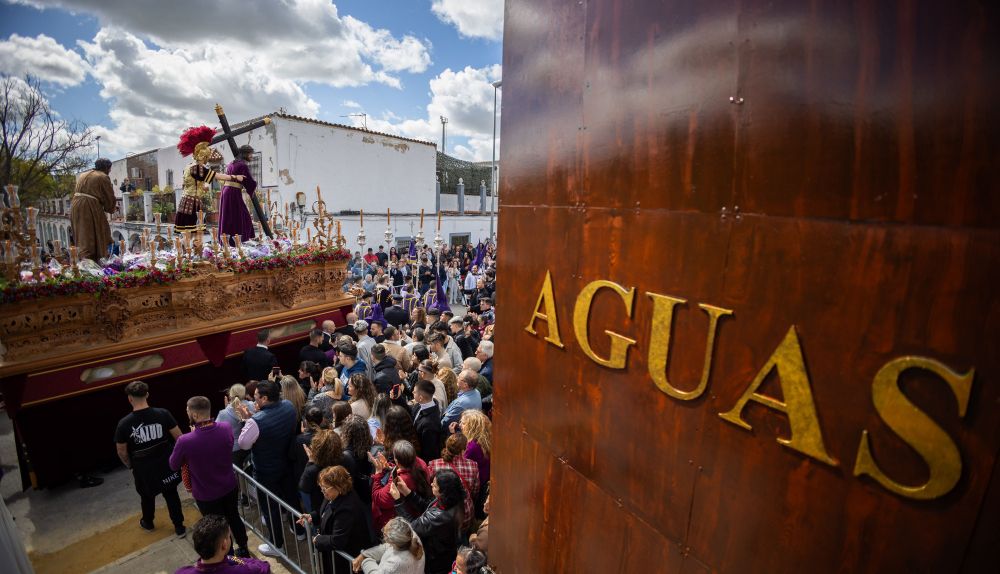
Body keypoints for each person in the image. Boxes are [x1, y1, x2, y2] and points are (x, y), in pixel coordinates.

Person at [169, 396, 250, 556]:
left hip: (207, 495)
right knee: (234, 517)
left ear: (195, 415)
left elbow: (173, 464)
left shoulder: (185, 441)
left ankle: (231, 558)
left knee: (218, 529)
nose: (187, 414)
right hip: (229, 486)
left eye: (187, 411)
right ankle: (244, 551)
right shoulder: (225, 427)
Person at [235, 380, 298, 557]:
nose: (253, 399)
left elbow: (244, 444)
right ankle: (299, 531)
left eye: (255, 397)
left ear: (264, 398)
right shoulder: (288, 406)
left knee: (269, 508)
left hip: (266, 470)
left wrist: (247, 420)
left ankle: (277, 545)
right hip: (286, 463)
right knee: (290, 498)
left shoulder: (256, 421)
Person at [114, 380, 185, 537]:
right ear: (147, 394)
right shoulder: (163, 413)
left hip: (142, 467)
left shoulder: (124, 424)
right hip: (165, 463)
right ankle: (179, 527)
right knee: (171, 493)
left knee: (146, 496)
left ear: (129, 398)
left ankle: (148, 522)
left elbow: (121, 451)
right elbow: (179, 438)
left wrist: (130, 465)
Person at [298, 465, 375, 574]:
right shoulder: (332, 495)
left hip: (345, 561)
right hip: (335, 557)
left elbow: (338, 540)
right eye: (321, 487)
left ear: (338, 487)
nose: (322, 491)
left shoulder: (347, 508)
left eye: (324, 488)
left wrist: (318, 540)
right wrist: (312, 516)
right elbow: (325, 511)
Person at [390, 468, 465, 574]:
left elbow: (412, 527)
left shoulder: (440, 516)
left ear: (443, 491)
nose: (431, 485)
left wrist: (398, 501)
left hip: (436, 560)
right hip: (446, 548)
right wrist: (407, 492)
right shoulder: (453, 499)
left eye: (434, 485)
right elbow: (427, 507)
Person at [174, 126, 244, 234]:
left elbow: (186, 185)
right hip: (191, 204)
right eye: (206, 158)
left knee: (190, 234)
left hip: (187, 201)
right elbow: (217, 176)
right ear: (203, 156)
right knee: (192, 235)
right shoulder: (197, 168)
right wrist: (235, 177)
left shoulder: (188, 166)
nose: (207, 161)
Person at [175, 515, 271, 574]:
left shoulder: (182, 572)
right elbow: (263, 567)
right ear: (224, 545)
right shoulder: (244, 571)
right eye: (229, 536)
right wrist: (233, 559)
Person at [370, 440, 431, 532]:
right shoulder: (420, 462)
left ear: (397, 461)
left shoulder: (400, 480)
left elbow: (379, 499)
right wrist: (389, 467)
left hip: (404, 522)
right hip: (419, 511)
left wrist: (378, 473)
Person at [428, 434, 479, 534]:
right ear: (463, 450)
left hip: (442, 515)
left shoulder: (434, 465)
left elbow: (431, 490)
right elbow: (475, 490)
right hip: (465, 515)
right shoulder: (473, 465)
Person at [70, 158, 116, 261]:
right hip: (88, 207)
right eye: (109, 169)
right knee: (90, 237)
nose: (110, 171)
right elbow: (109, 197)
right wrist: (111, 207)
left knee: (81, 236)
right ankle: (91, 262)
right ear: (107, 168)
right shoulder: (103, 176)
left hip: (75, 205)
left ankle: (83, 260)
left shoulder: (83, 175)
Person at [352, 517, 425, 574]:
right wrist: (364, 555)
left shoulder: (395, 564)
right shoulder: (410, 534)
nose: (382, 529)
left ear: (392, 542)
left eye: (384, 532)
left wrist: (366, 561)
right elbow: (386, 547)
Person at [218, 144, 257, 243]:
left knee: (229, 216)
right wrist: (253, 185)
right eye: (250, 154)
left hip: (226, 191)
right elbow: (248, 180)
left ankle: (227, 240)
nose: (251, 156)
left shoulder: (231, 163)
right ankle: (237, 240)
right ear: (246, 154)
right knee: (241, 216)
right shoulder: (242, 165)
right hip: (233, 192)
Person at [299, 428, 344, 514]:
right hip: (339, 508)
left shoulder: (311, 471)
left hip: (319, 512)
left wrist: (310, 461)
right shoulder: (343, 461)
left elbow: (304, 491)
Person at [408, 380, 443, 463]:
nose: (412, 392)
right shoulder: (420, 405)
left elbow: (429, 452)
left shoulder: (430, 424)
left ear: (420, 397)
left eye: (415, 391)